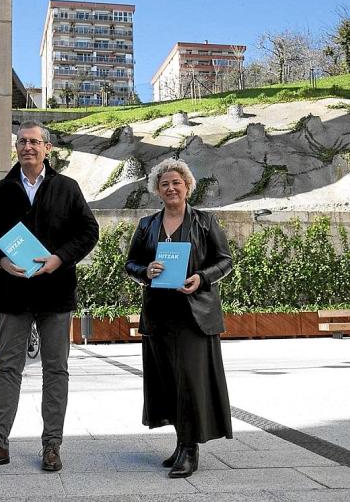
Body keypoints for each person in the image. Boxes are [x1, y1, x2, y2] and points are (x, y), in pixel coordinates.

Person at [0, 121, 99, 472]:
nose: (27, 147)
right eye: (21, 141)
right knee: (7, 368)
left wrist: (60, 258)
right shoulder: (1, 190)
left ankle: (52, 446)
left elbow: (89, 231)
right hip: (14, 294)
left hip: (56, 293)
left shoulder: (67, 187)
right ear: (16, 148)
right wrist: (1, 261)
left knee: (56, 370)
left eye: (34, 142)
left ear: (47, 148)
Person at [125, 158, 233, 479]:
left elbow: (225, 261)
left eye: (176, 182)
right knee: (169, 382)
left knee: (190, 381)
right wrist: (146, 271)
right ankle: (180, 441)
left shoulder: (205, 221)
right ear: (157, 191)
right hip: (159, 315)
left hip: (194, 316)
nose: (171, 188)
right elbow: (130, 263)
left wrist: (201, 277)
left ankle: (190, 448)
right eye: (164, 184)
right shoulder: (147, 225)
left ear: (187, 186)